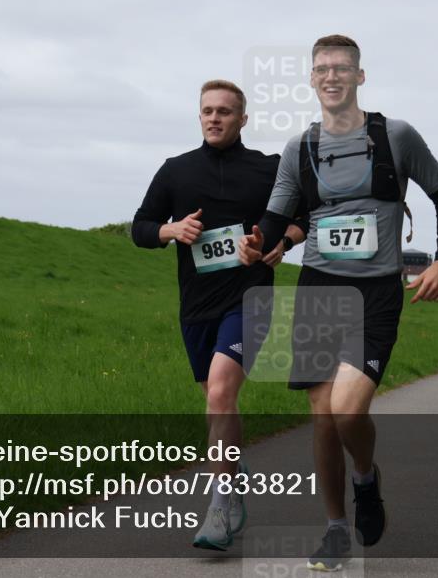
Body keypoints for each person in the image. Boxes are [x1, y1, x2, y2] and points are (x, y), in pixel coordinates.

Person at [238, 35, 438, 571]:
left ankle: (366, 478)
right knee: (321, 418)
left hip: (376, 291)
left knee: (347, 409)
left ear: (360, 77)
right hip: (317, 288)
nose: (331, 77)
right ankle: (336, 530)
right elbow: (276, 216)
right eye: (321, 69)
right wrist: (256, 242)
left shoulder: (395, 136)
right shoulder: (300, 148)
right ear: (312, 80)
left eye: (341, 68)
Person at [132, 80, 307, 550]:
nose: (215, 118)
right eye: (208, 111)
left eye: (225, 112)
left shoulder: (269, 169)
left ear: (242, 119)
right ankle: (230, 469)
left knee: (222, 390)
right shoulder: (176, 171)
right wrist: (172, 229)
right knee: (215, 401)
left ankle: (222, 504)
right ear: (199, 116)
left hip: (250, 299)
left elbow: (303, 217)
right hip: (196, 305)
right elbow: (140, 227)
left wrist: (282, 244)